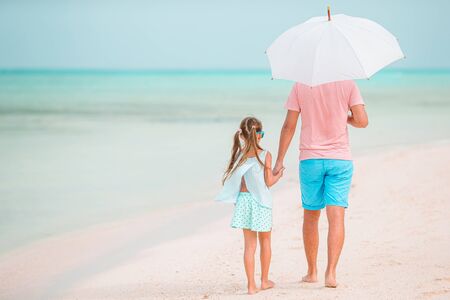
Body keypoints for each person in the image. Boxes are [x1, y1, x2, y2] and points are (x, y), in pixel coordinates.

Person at [273, 80, 368, 288]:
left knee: (311, 215)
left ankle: (311, 271)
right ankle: (331, 273)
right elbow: (362, 121)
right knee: (336, 218)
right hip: (340, 159)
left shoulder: (300, 85)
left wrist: (279, 160)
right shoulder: (348, 84)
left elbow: (289, 126)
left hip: (310, 159)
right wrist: (345, 117)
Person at [216, 116, 284, 295]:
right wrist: (279, 175)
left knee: (249, 246)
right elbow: (268, 182)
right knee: (266, 241)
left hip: (244, 202)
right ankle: (264, 280)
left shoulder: (239, 156)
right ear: (259, 134)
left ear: (243, 136)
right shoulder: (265, 155)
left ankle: (251, 285)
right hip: (261, 203)